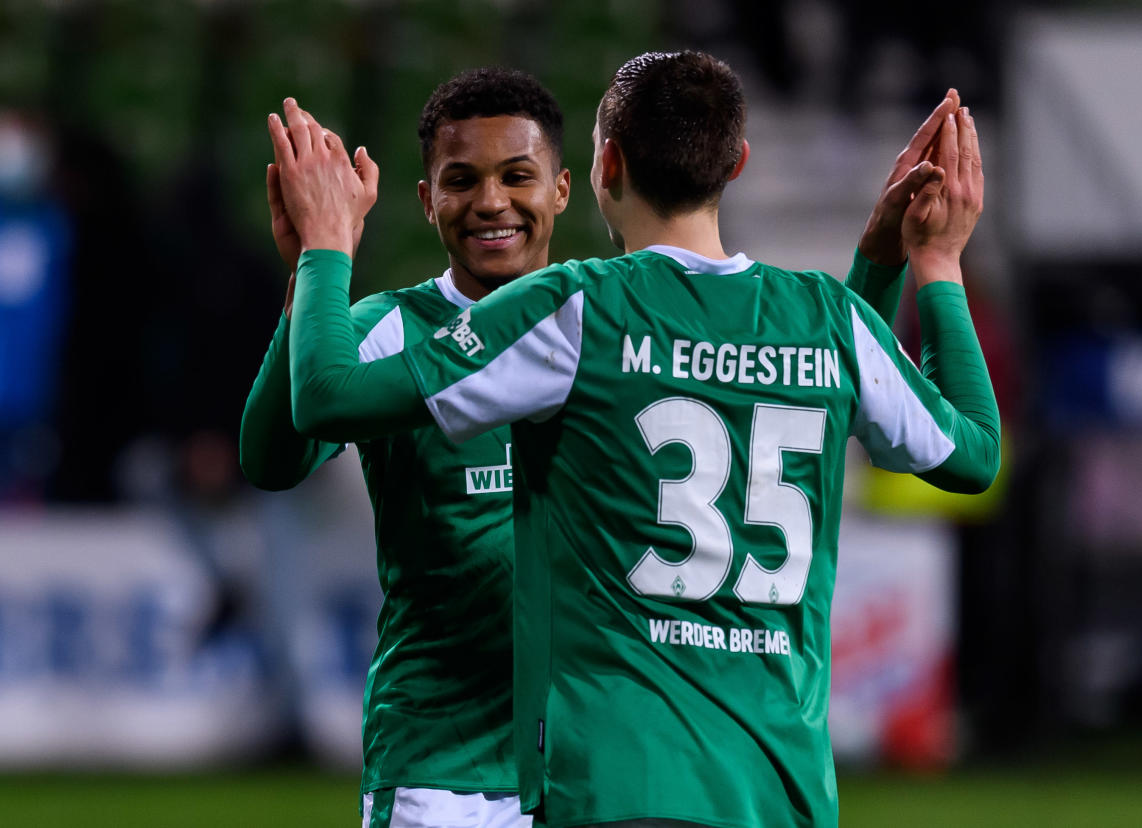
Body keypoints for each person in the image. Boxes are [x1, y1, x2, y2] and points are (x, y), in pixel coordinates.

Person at [269, 49, 995, 827]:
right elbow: (974, 450)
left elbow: (322, 399)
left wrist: (324, 249)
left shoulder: (580, 310)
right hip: (779, 789)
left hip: (622, 781)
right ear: (738, 163)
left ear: (604, 163)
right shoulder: (827, 318)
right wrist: (932, 262)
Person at [241, 68, 571, 828]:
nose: (491, 201)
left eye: (517, 175)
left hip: (585, 768)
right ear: (428, 201)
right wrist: (312, 266)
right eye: (461, 180)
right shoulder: (389, 326)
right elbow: (271, 461)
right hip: (439, 772)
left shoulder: (603, 319)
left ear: (560, 189)